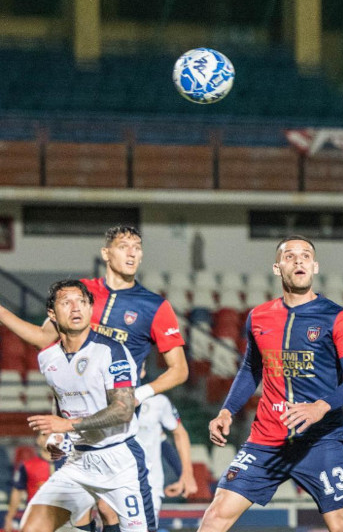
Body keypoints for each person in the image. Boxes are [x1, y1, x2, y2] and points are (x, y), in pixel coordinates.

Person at [0, 225, 188, 532]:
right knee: (64, 517)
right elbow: (45, 343)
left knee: (108, 510)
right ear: (106, 253)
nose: (132, 253)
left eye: (137, 247)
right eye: (124, 246)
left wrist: (138, 395)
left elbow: (180, 370)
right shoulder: (80, 294)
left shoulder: (154, 305)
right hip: (79, 444)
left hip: (119, 429)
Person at [197, 235, 343, 532]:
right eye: (289, 256)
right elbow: (251, 369)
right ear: (277, 268)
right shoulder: (258, 317)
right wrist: (227, 410)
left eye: (305, 255)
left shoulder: (339, 317)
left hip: (321, 441)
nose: (299, 260)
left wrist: (319, 407)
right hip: (266, 440)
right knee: (215, 516)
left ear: (315, 266)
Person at [20, 279, 155, 532]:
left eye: (82, 302)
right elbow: (61, 400)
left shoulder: (111, 350)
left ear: (90, 309)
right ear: (52, 314)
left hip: (119, 461)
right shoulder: (48, 358)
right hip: (79, 461)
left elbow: (124, 410)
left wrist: (67, 425)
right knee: (32, 528)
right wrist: (57, 436)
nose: (76, 308)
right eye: (66, 302)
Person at [134, 364, 198, 516]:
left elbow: (177, 435)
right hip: (112, 481)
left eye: (140, 365)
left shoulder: (158, 401)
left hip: (150, 484)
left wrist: (185, 474)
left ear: (143, 371)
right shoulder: (102, 398)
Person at [4, 434, 54, 532]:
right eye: (44, 435)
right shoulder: (27, 465)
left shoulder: (70, 465)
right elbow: (17, 491)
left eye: (52, 435)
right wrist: (9, 517)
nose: (48, 438)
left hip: (65, 519)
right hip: (35, 518)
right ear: (38, 440)